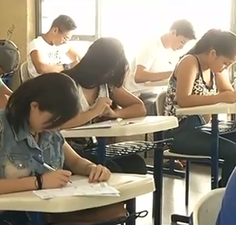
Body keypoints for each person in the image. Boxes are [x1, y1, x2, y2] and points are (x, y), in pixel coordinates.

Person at [0, 73, 123, 225]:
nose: (55, 127)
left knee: (114, 210)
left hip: (52, 209)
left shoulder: (49, 129)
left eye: (60, 122)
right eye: (53, 120)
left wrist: (93, 169)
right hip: (15, 214)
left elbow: (75, 161)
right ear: (34, 106)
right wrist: (38, 182)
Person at [63, 37, 148, 174]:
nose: (111, 74)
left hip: (93, 145)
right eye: (110, 70)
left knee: (136, 164)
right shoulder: (66, 83)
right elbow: (57, 123)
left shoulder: (106, 84)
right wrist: (94, 111)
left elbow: (139, 107)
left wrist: (115, 114)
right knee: (113, 169)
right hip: (68, 149)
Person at [164, 29, 236, 187]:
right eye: (225, 63)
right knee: (233, 152)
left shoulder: (214, 69)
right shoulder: (189, 62)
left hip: (201, 127)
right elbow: (183, 99)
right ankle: (223, 198)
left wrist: (227, 93)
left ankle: (224, 189)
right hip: (180, 132)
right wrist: (221, 97)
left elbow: (228, 92)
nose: (225, 68)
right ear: (212, 54)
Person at [126, 19, 196, 115]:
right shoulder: (151, 46)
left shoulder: (171, 53)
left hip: (158, 95)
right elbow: (139, 76)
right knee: (174, 109)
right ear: (173, 32)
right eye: (182, 42)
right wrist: (172, 73)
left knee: (186, 106)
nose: (182, 47)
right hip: (140, 97)